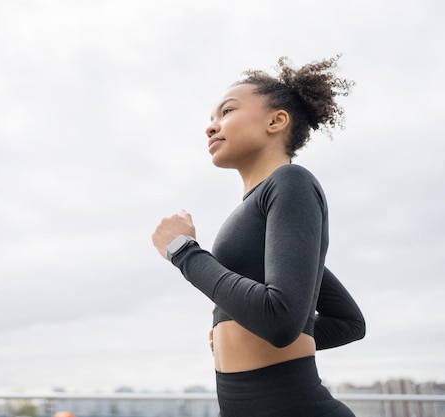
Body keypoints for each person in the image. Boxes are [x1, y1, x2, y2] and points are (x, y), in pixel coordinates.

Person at [152, 56, 366, 417]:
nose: (211, 127)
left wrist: (183, 251)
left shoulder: (291, 182)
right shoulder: (261, 208)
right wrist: (244, 326)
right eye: (210, 120)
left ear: (276, 120)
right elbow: (348, 323)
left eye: (227, 111)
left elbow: (280, 321)